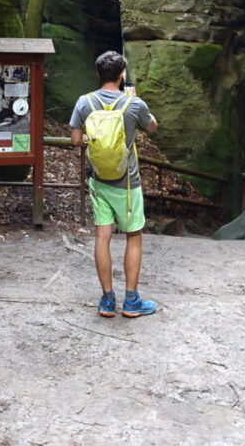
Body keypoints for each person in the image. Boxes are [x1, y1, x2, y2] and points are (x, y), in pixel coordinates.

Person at [69, 51, 158, 318]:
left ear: (98, 74)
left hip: (98, 180)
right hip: (128, 184)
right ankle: (131, 302)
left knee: (102, 237)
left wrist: (99, 138)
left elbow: (75, 140)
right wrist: (136, 103)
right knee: (133, 236)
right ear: (122, 76)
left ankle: (108, 301)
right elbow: (152, 127)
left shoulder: (84, 102)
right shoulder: (133, 104)